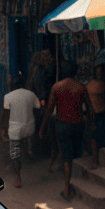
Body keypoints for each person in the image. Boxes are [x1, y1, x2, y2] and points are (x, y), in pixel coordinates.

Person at [40, 61, 91, 200]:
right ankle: (77, 185)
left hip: (62, 125)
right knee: (77, 154)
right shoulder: (81, 87)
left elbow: (49, 109)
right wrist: (92, 124)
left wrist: (42, 127)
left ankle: (67, 188)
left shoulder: (57, 87)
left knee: (66, 157)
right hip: (78, 124)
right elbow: (89, 107)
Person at [1, 72, 40, 189]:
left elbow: (5, 114)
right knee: (26, 145)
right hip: (29, 128)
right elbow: (38, 107)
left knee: (14, 154)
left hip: (15, 130)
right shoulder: (31, 95)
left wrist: (3, 129)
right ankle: (28, 154)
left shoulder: (8, 97)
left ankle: (18, 178)